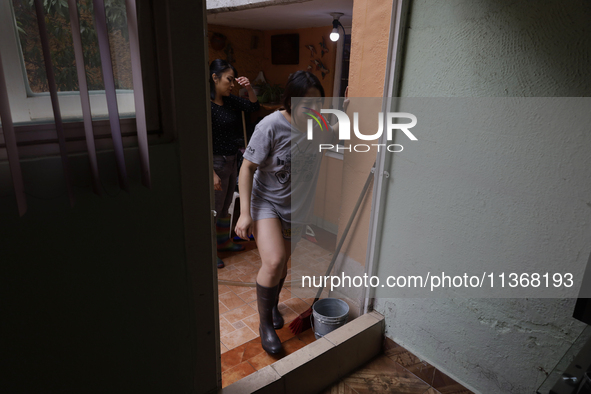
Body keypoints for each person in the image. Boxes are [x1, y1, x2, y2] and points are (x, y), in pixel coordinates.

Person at [235, 71, 337, 354]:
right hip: (266, 202)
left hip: (298, 207)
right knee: (274, 260)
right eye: (306, 103)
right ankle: (265, 325)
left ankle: (273, 306)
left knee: (282, 264)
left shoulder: (319, 123)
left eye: (318, 103)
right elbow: (247, 168)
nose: (313, 109)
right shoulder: (271, 126)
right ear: (290, 102)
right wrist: (245, 213)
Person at [209, 59, 260, 269]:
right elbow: (197, 139)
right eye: (229, 79)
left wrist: (248, 87)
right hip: (214, 162)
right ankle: (210, 252)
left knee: (226, 205)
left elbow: (253, 105)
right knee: (213, 209)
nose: (232, 85)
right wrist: (210, 172)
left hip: (232, 160)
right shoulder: (205, 105)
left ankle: (224, 242)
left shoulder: (229, 101)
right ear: (214, 77)